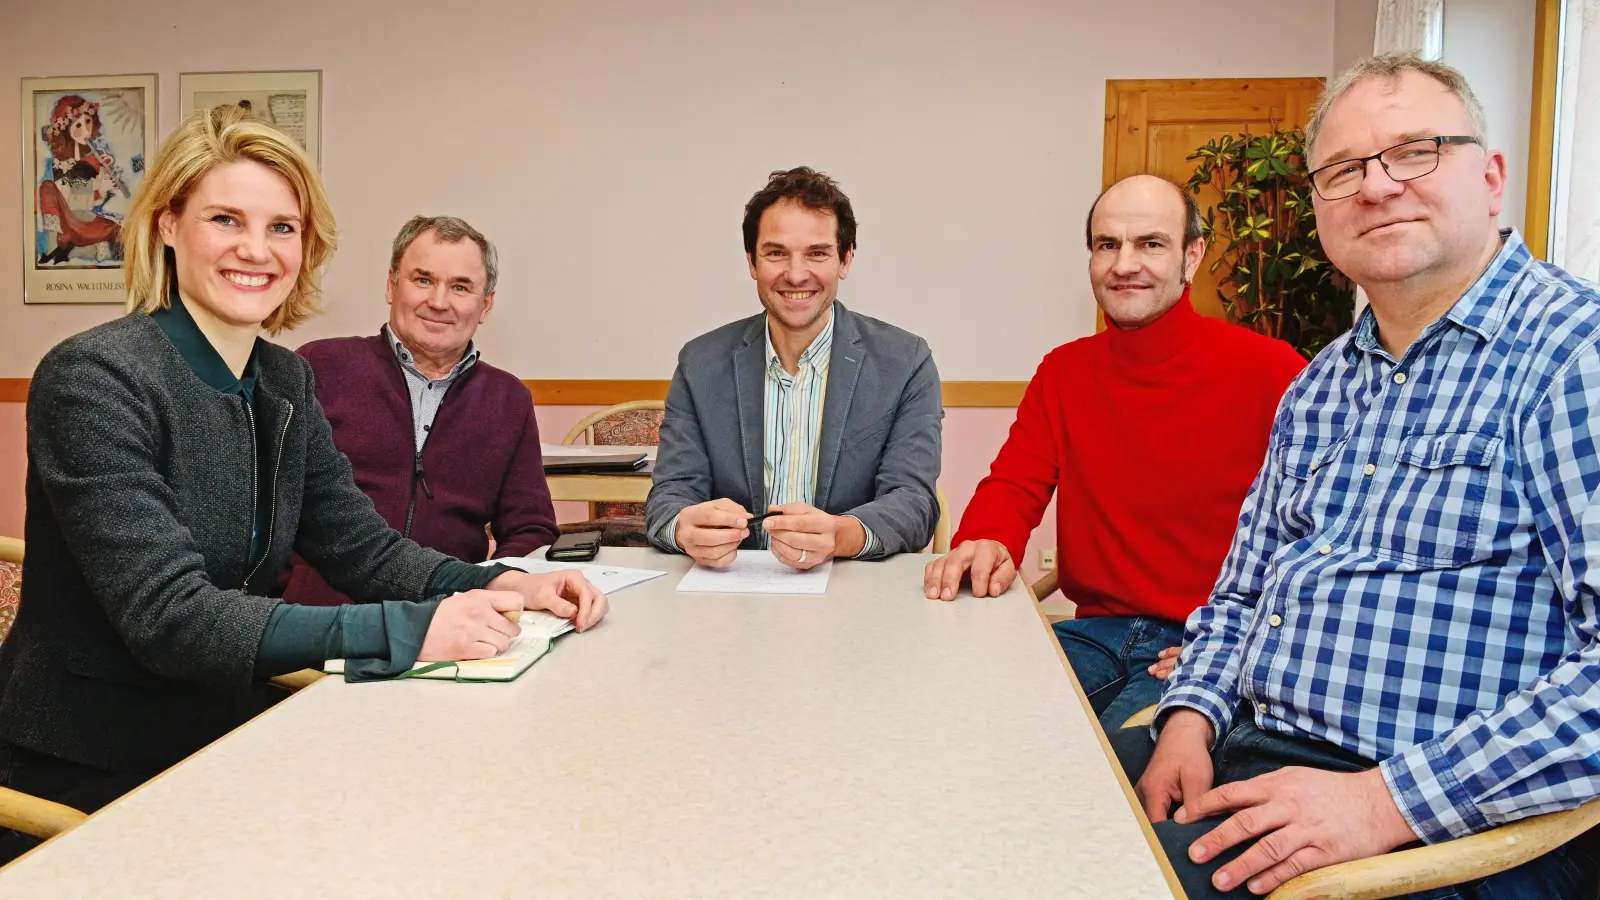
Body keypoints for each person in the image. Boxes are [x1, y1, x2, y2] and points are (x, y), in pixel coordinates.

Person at [0, 106, 607, 863]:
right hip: (91, 769)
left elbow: (361, 548)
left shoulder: (284, 379)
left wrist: (506, 582)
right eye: (226, 219)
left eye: (281, 228)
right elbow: (173, 618)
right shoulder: (93, 378)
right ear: (166, 225)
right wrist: (410, 632)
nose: (257, 250)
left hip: (236, 732)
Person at [1114, 52, 1600, 898]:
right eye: (1343, 170)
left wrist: (1384, 804)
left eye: (1415, 151)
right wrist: (1190, 717)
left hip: (1453, 823)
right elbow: (1243, 594)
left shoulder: (1574, 357)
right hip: (1257, 751)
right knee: (1007, 806)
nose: (1376, 187)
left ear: (1490, 177)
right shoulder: (1323, 381)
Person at [923, 175, 1305, 732]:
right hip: (1095, 633)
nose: (1125, 264)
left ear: (1192, 256)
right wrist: (985, 540)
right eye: (1108, 245)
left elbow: (1322, 533)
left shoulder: (1275, 371)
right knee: (961, 719)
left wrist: (1249, 640)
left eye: (1151, 243)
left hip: (1208, 641)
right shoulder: (1064, 371)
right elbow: (1014, 485)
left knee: (1123, 775)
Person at [646, 167, 942, 569]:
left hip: (853, 597)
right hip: (726, 598)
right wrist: (683, 527)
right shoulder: (700, 363)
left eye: (817, 253)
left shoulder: (906, 362)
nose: (796, 273)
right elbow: (669, 496)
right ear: (752, 262)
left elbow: (914, 502)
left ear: (846, 259)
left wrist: (841, 535)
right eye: (776, 253)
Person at [279, 216, 557, 606]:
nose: (439, 302)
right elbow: (267, 504)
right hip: (322, 623)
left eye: (460, 287)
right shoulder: (319, 367)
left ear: (485, 305)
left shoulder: (508, 398)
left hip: (451, 618)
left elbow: (530, 526)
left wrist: (497, 590)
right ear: (392, 286)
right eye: (423, 280)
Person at [36, 95, 124, 265]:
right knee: (46, 187)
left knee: (117, 230)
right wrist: (99, 188)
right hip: (70, 219)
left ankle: (71, 248)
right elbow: (74, 201)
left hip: (86, 218)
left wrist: (105, 178)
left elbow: (95, 202)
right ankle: (60, 245)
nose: (85, 131)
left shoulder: (92, 159)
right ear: (66, 129)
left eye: (88, 122)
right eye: (78, 125)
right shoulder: (60, 164)